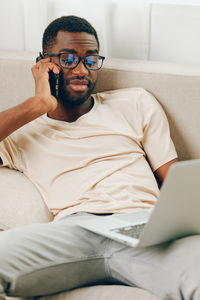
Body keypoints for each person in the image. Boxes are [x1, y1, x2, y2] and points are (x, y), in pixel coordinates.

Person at [0, 15, 199, 300]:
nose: (82, 70)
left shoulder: (136, 102)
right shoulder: (21, 133)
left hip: (146, 229)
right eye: (68, 59)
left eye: (91, 60)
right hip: (75, 232)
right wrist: (38, 104)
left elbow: (176, 184)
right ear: (44, 64)